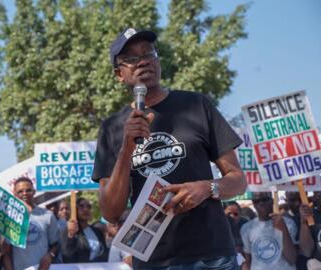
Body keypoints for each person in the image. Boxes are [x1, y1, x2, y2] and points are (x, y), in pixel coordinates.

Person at [92, 27, 247, 269]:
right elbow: (111, 211)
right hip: (154, 260)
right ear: (119, 74)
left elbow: (238, 180)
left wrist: (208, 187)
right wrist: (125, 150)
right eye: (132, 59)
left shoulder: (196, 104)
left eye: (149, 53)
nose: (143, 61)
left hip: (211, 255)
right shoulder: (112, 128)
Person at [4, 177, 60, 270]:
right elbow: (6, 253)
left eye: (28, 190)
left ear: (34, 192)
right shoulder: (9, 217)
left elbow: (56, 244)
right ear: (14, 194)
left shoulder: (47, 215)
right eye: (20, 191)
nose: (25, 193)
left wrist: (50, 255)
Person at [240, 192, 297, 270]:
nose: (261, 203)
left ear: (272, 201)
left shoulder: (288, 223)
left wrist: (283, 229)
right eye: (256, 201)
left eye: (265, 199)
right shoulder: (246, 228)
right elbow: (248, 260)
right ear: (253, 204)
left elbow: (292, 259)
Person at [61, 197, 108, 263]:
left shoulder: (97, 231)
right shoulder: (68, 232)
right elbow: (67, 256)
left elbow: (104, 253)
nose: (85, 209)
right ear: (75, 210)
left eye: (88, 207)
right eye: (81, 206)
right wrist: (71, 236)